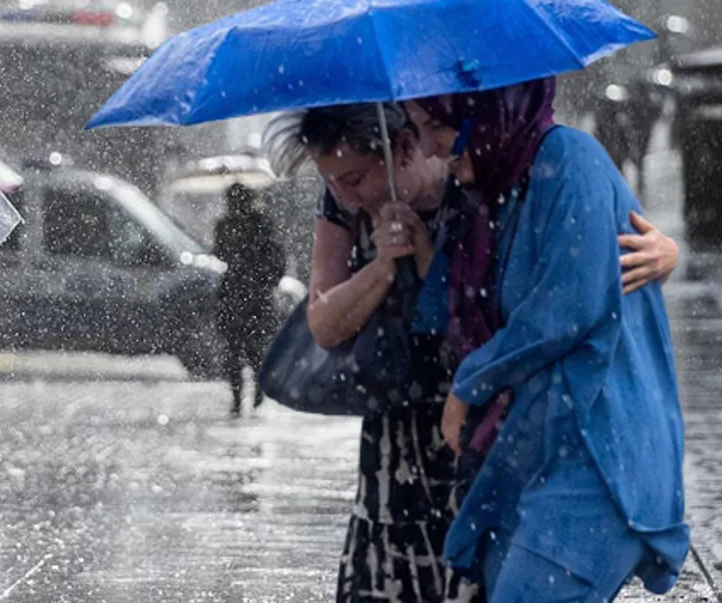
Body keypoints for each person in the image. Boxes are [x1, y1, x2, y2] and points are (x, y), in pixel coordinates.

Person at [268, 100, 680, 603]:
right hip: (403, 422)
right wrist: (383, 265)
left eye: (353, 178)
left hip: (485, 417)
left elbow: (562, 283)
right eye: (329, 179)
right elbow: (324, 324)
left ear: (401, 150)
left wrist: (665, 252)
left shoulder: (481, 175)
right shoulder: (347, 203)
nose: (342, 195)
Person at [409, 79, 689, 602]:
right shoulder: (498, 192)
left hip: (599, 458)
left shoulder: (569, 158)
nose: (427, 147)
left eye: (436, 127)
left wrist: (470, 384)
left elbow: (567, 306)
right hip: (539, 452)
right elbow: (450, 311)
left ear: (486, 112)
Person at [213, 183, 287, 416]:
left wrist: (264, 281)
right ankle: (237, 398)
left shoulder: (261, 223)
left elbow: (275, 257)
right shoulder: (225, 224)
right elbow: (219, 252)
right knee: (233, 352)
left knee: (254, 349)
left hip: (255, 294)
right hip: (233, 293)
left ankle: (258, 389)